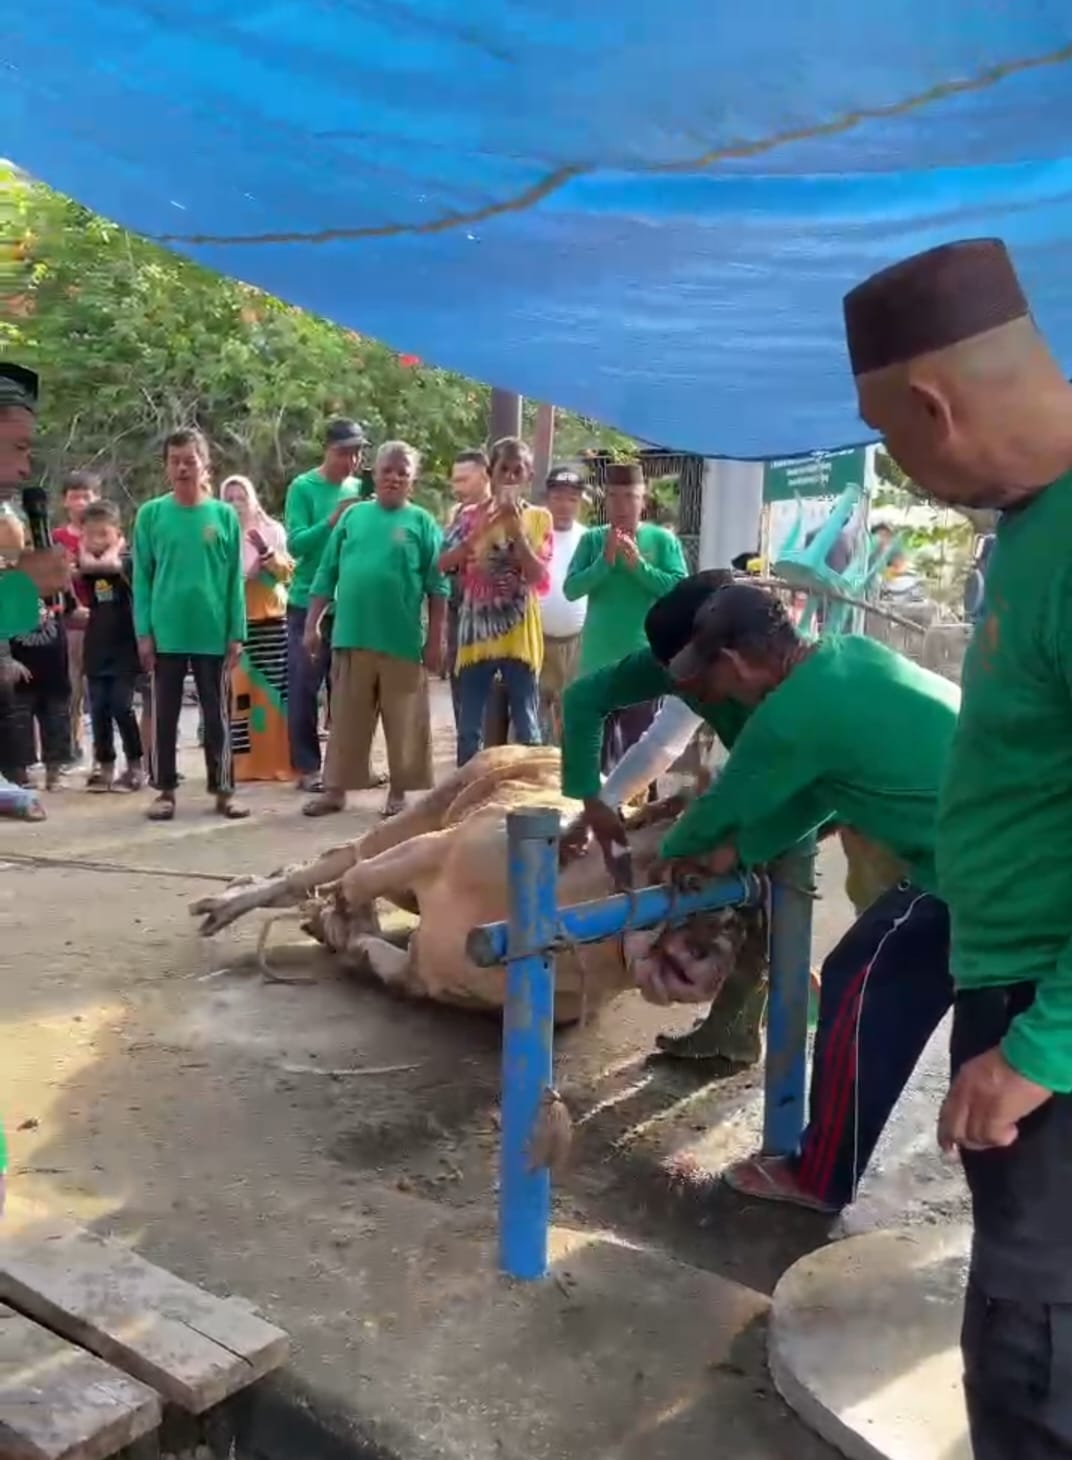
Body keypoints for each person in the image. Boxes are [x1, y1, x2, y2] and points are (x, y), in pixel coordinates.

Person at [844, 237, 1072, 1459]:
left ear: (931, 406)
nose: (900, 466)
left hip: (1051, 1011)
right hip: (1019, 978)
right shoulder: (1033, 528)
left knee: (1036, 1348)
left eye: (888, 436)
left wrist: (1041, 1046)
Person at [562, 581, 960, 1208]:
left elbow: (722, 805)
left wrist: (676, 854)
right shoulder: (846, 656)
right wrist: (737, 852)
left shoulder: (790, 712)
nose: (710, 694)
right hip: (1011, 834)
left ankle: (819, 1176)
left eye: (711, 678)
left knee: (859, 984)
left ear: (736, 662)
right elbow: (819, 797)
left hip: (970, 860)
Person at [302, 441, 448, 818]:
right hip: (352, 635)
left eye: (403, 473)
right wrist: (311, 623)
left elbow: (438, 587)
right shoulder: (353, 517)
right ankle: (335, 791)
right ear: (375, 474)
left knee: (404, 722)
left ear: (412, 481)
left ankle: (399, 793)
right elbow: (326, 572)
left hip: (401, 640)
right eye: (387, 471)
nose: (394, 478)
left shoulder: (422, 522)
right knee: (346, 719)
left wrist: (436, 639)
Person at [132, 427, 246, 822]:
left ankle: (224, 790)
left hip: (213, 630)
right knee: (164, 715)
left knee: (217, 717)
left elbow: (234, 580)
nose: (183, 468)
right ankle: (164, 791)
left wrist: (237, 632)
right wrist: (143, 632)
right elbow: (142, 578)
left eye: (190, 461)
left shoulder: (224, 516)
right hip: (166, 631)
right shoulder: (151, 515)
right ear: (166, 467)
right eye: (175, 461)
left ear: (205, 465)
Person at [564, 461, 687, 773]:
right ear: (605, 501)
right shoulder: (592, 541)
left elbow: (680, 591)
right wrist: (604, 563)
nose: (621, 506)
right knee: (596, 761)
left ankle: (640, 805)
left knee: (639, 759)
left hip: (642, 663)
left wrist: (639, 568)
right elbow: (571, 589)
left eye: (630, 497)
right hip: (597, 665)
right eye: (614, 497)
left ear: (643, 500)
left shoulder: (662, 541)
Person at [439, 436, 551, 765]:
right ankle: (466, 789)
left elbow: (537, 576)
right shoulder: (468, 516)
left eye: (519, 471)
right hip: (476, 634)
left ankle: (529, 792)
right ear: (491, 473)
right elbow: (442, 563)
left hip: (520, 635)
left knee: (527, 723)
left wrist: (515, 531)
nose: (511, 477)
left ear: (529, 476)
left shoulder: (539, 518)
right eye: (504, 469)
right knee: (469, 728)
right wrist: (478, 531)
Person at [283, 418, 366, 791]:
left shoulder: (359, 488)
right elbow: (296, 544)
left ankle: (346, 766)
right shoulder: (303, 487)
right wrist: (333, 520)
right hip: (307, 601)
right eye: (344, 452)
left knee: (348, 691)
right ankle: (307, 768)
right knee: (305, 685)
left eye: (357, 453)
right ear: (327, 450)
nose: (351, 461)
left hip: (350, 602)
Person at [219, 475, 294, 783]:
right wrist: (244, 578)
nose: (236, 503)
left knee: (274, 692)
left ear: (252, 498)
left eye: (241, 497)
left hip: (271, 618)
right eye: (229, 498)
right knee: (240, 695)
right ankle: (244, 765)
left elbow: (288, 573)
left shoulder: (272, 529)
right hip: (237, 623)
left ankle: (277, 761)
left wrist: (267, 555)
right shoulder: (220, 533)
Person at [75, 500, 143, 791]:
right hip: (97, 647)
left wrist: (117, 546)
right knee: (99, 710)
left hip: (124, 647)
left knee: (121, 707)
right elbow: (83, 569)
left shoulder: (126, 561)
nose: (97, 541)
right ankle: (105, 766)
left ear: (118, 534)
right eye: (90, 535)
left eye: (104, 534)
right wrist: (83, 550)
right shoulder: (88, 567)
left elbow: (112, 565)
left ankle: (135, 765)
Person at [537, 466, 589, 745]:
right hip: (535, 642)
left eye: (572, 498)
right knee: (532, 720)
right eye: (558, 497)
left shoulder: (589, 539)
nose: (564, 505)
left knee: (572, 718)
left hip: (577, 642)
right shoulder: (533, 534)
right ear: (547, 499)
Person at [52, 469, 101, 768]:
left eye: (86, 496)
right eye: (75, 497)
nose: (81, 502)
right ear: (65, 501)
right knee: (71, 689)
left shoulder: (104, 535)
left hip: (101, 620)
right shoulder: (57, 538)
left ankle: (102, 752)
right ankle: (72, 745)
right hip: (69, 622)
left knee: (100, 690)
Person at [444, 449, 492, 730]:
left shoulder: (501, 514)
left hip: (492, 616)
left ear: (485, 476)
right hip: (459, 611)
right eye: (455, 480)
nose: (457, 488)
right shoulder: (457, 515)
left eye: (463, 480)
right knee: (460, 687)